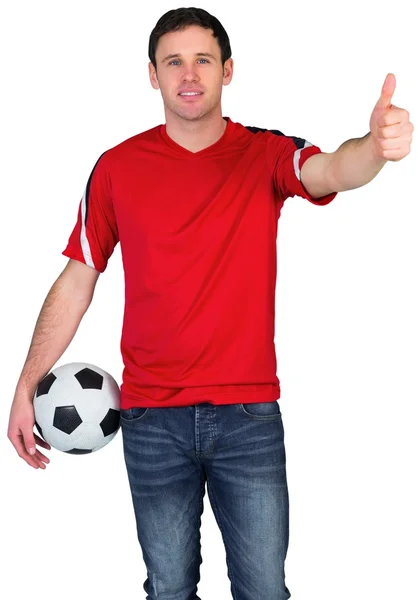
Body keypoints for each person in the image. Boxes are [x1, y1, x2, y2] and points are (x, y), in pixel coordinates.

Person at [7, 7, 413, 600]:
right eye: (174, 61)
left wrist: (375, 148)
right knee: (168, 590)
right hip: (150, 419)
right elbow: (78, 278)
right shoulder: (117, 168)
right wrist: (26, 380)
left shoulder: (265, 153)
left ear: (228, 70)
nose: (189, 74)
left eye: (203, 60)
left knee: (264, 591)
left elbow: (331, 170)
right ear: (153, 75)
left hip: (247, 417)